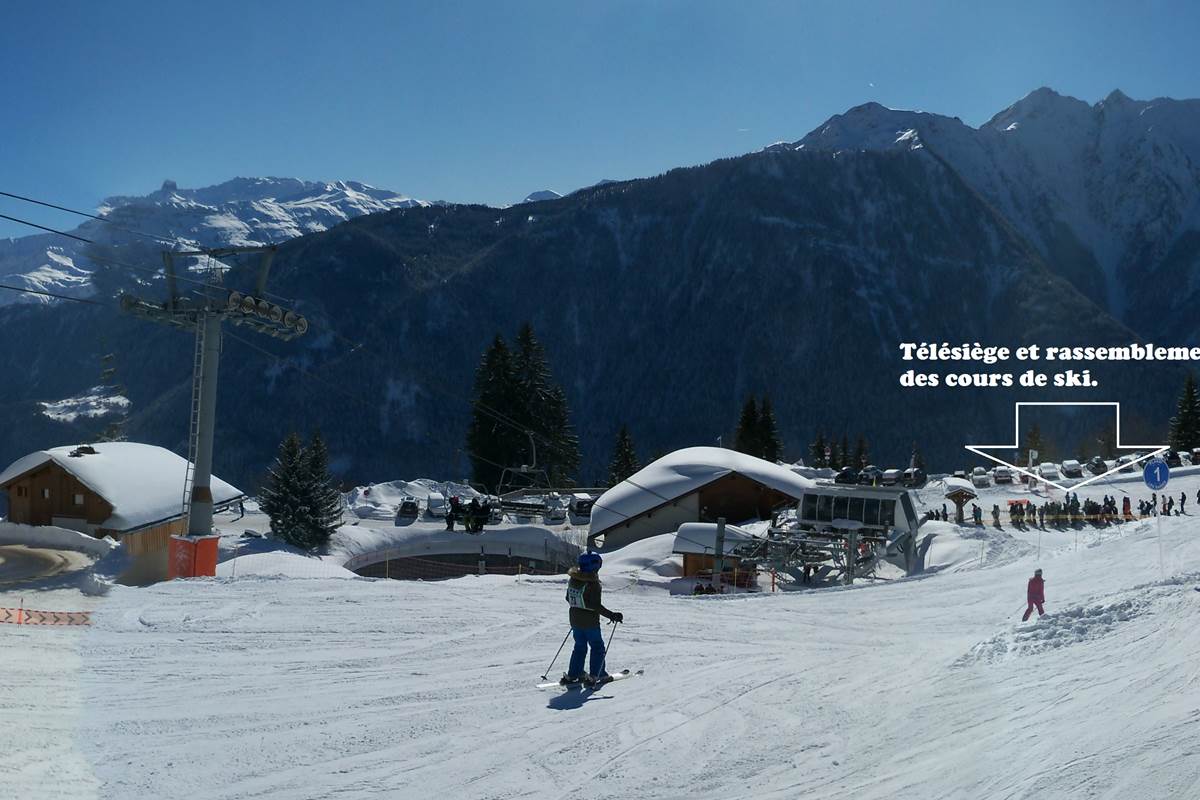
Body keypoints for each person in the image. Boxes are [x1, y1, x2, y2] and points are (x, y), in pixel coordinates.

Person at [561, 552, 622, 687]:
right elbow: (595, 606)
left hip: (575, 620)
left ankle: (574, 674)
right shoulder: (592, 583)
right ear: (595, 566)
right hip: (590, 622)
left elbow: (568, 598)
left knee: (579, 647)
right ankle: (597, 674)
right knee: (597, 646)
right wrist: (612, 615)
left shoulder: (573, 579)